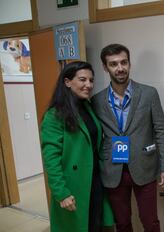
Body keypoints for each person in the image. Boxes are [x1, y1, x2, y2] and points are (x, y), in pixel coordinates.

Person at [91, 44, 164, 232]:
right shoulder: (97, 100)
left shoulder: (149, 93)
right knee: (122, 222)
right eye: (113, 64)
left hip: (145, 167)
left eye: (123, 62)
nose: (120, 68)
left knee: (150, 221)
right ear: (105, 67)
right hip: (113, 171)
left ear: (129, 63)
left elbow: (161, 130)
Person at [40, 61, 114, 232]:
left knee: (95, 224)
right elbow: (51, 159)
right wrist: (61, 193)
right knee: (79, 227)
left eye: (91, 80)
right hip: (73, 185)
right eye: (82, 80)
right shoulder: (54, 115)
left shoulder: (87, 106)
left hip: (94, 179)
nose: (88, 85)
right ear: (67, 82)